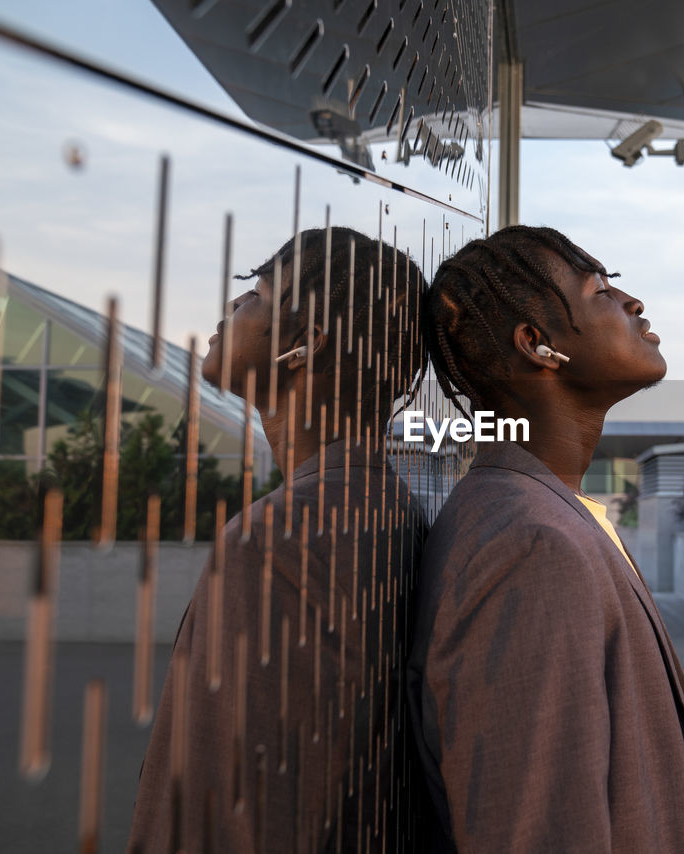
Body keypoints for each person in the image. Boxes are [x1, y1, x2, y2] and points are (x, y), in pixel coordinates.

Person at [406, 225, 684, 852]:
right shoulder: (529, 545)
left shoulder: (549, 510)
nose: (632, 302)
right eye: (601, 290)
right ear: (539, 345)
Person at [128, 226, 433, 854]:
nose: (229, 311)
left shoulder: (278, 537)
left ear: (303, 346)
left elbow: (231, 816)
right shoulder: (384, 504)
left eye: (255, 297)